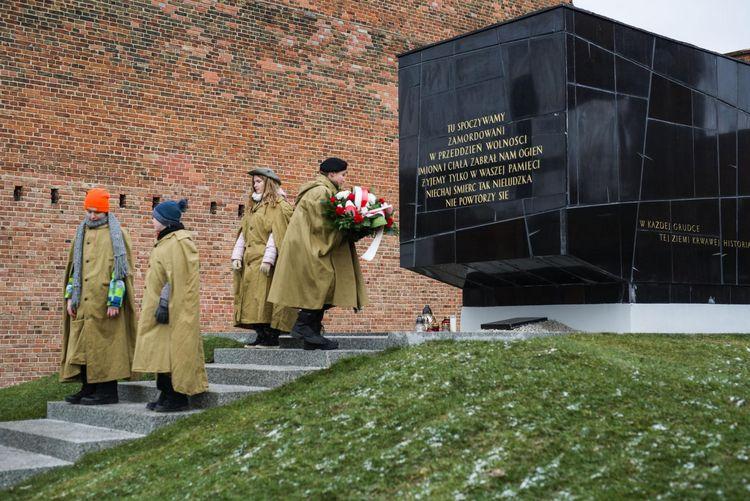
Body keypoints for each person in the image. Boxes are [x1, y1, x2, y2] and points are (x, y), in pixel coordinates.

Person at [268, 157, 368, 350]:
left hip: (308, 246)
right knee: (324, 284)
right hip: (310, 248)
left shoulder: (324, 190)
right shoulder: (320, 192)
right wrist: (352, 229)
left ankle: (311, 334)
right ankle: (303, 326)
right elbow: (322, 226)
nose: (344, 179)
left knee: (322, 287)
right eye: (343, 175)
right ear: (331, 174)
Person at [60, 188, 136, 405]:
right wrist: (70, 297)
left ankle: (107, 392)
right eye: (89, 211)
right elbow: (75, 268)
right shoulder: (81, 232)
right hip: (82, 299)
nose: (92, 216)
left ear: (105, 212)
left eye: (97, 212)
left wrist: (114, 300)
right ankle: (87, 388)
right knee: (83, 345)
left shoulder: (117, 234)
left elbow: (121, 270)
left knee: (106, 347)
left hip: (104, 301)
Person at [132, 198, 208, 412]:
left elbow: (178, 277)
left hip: (172, 309)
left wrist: (165, 302)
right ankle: (165, 393)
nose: (152, 221)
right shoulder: (165, 240)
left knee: (176, 352)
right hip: (161, 308)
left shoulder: (179, 242)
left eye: (154, 218)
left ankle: (177, 397)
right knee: (161, 352)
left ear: (165, 220)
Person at [231, 168, 297, 347]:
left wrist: (269, 259)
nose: (255, 185)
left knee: (265, 301)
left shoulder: (278, 206)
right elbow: (244, 233)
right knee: (252, 301)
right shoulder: (253, 206)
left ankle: (270, 336)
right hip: (250, 260)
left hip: (265, 261)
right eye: (254, 182)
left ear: (268, 183)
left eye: (259, 181)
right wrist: (236, 255)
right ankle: (260, 335)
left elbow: (277, 234)